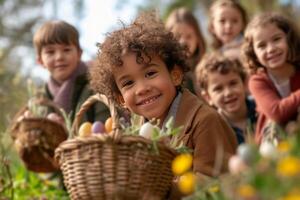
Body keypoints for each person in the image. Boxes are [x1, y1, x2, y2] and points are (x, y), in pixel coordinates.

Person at [90, 11, 237, 182]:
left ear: (175, 75)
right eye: (128, 83)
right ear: (121, 99)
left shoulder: (205, 122)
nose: (142, 89)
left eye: (150, 73)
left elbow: (211, 185)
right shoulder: (135, 130)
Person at [33, 20, 110, 124]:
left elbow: (105, 126)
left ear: (79, 54)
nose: (59, 57)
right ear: (40, 61)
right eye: (50, 52)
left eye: (66, 50)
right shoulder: (41, 99)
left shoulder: (97, 84)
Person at [242, 12, 300, 144]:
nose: (271, 49)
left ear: (289, 39)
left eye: (276, 39)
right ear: (254, 53)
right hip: (273, 143)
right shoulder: (257, 81)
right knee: (273, 123)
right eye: (262, 46)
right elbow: (277, 112)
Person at [196, 52, 257, 144]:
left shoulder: (262, 109)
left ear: (244, 84)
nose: (228, 93)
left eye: (233, 83)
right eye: (218, 89)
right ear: (208, 97)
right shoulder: (213, 130)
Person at [165, 7, 206, 96]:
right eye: (178, 37)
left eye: (189, 36)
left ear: (198, 37)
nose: (183, 42)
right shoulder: (167, 72)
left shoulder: (207, 66)